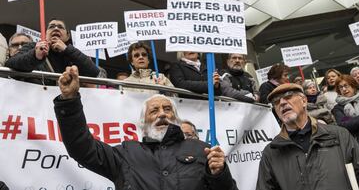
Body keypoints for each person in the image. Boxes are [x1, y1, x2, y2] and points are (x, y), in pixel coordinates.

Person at [53, 65, 238, 190]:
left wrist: (220, 175)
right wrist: (69, 102)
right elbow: (82, 148)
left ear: (176, 118)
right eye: (154, 110)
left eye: (167, 109)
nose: (162, 114)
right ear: (143, 123)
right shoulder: (126, 153)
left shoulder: (200, 149)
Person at [256, 83, 359, 190]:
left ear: (304, 101)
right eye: (276, 102)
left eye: (288, 97)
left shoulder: (338, 135)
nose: (282, 103)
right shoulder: (271, 153)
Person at [5, 19, 99, 79]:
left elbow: (94, 72)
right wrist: (35, 55)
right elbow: (10, 63)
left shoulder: (71, 54)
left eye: (60, 27)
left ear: (67, 36)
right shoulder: (33, 47)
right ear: (45, 34)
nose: (56, 28)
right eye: (51, 27)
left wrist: (67, 50)